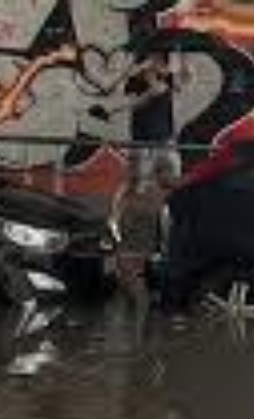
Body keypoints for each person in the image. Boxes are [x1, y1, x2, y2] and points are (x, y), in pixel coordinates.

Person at [108, 155, 174, 340]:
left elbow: (164, 228)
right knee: (142, 302)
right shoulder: (127, 192)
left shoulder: (159, 195)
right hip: (132, 256)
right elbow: (113, 222)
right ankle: (139, 345)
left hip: (147, 257)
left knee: (142, 303)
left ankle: (141, 344)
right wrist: (119, 245)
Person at [125, 49, 182, 183]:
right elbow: (132, 104)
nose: (158, 62)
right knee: (138, 183)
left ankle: (168, 203)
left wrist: (183, 62)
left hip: (165, 138)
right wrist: (148, 90)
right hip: (142, 139)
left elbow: (179, 85)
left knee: (172, 177)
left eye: (161, 59)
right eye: (155, 58)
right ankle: (122, 201)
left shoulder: (167, 78)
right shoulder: (135, 80)